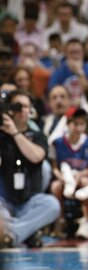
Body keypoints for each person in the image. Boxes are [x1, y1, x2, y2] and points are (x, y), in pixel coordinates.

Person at [0, 90, 60, 247]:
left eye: (25, 106)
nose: (22, 110)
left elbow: (36, 156)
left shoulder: (37, 135)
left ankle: (11, 234)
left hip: (29, 202)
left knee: (52, 205)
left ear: (31, 110)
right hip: (4, 202)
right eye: (18, 106)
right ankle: (27, 232)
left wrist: (15, 133)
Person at [49, 108, 88, 239]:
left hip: (82, 176)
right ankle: (60, 220)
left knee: (86, 183)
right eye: (75, 124)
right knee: (55, 186)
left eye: (82, 124)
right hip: (64, 177)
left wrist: (80, 175)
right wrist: (63, 178)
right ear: (68, 124)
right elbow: (54, 167)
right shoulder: (57, 143)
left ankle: (86, 221)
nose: (79, 128)